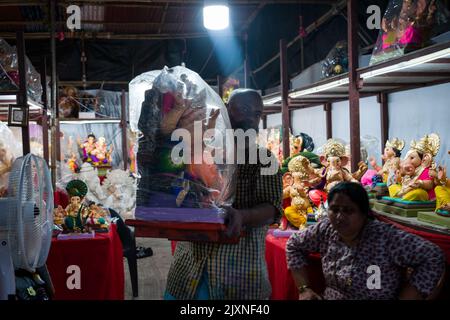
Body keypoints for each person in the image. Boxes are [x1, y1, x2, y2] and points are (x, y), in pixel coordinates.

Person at [164, 89, 283, 300]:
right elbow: (173, 187)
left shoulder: (264, 158)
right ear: (226, 110)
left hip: (239, 277)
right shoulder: (199, 150)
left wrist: (242, 216)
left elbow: (273, 209)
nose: (250, 119)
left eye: (256, 114)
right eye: (244, 110)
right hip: (188, 270)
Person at [286, 182, 445, 300]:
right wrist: (304, 289)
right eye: (334, 210)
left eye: (349, 210)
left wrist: (409, 295)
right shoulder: (326, 230)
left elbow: (433, 256)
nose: (340, 217)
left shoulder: (385, 237)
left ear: (363, 213)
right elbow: (293, 244)